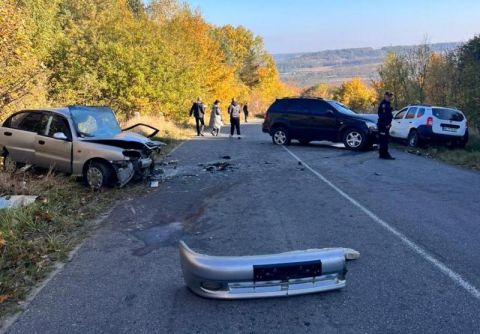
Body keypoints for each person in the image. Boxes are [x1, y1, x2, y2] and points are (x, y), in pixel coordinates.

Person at [377, 91, 395, 160]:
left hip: (385, 125)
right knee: (384, 141)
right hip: (383, 126)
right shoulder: (384, 105)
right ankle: (385, 155)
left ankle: (382, 154)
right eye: (388, 96)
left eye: (390, 96)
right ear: (385, 96)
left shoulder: (387, 104)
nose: (389, 98)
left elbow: (388, 115)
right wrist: (386, 124)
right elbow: (383, 116)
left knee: (384, 140)